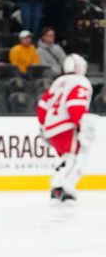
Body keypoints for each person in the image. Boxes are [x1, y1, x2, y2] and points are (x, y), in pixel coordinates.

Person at [37, 54, 94, 202]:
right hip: (67, 126)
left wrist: (44, 126)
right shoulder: (81, 81)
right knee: (77, 158)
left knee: (67, 158)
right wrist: (82, 126)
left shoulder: (58, 82)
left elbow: (42, 106)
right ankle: (63, 187)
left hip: (51, 128)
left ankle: (57, 186)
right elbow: (75, 106)